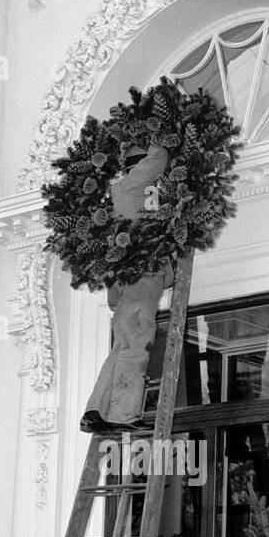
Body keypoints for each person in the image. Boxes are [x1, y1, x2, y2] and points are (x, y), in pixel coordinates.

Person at [81, 143, 174, 431]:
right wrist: (159, 136)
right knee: (137, 342)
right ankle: (123, 414)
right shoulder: (131, 189)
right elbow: (159, 156)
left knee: (124, 345)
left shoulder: (134, 197)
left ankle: (97, 410)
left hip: (133, 281)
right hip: (141, 278)